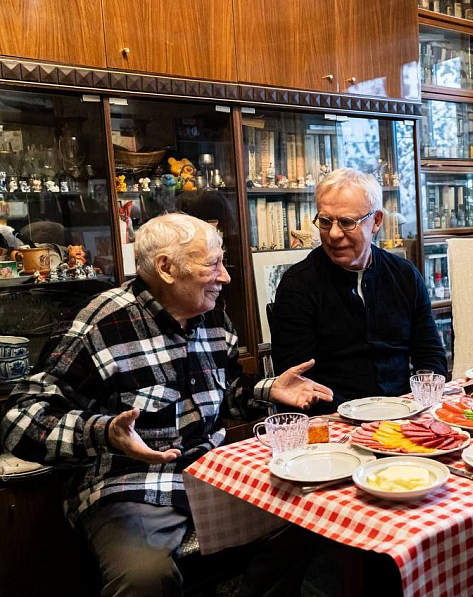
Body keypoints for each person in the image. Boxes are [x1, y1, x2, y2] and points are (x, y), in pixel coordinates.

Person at [1, 212, 333, 597]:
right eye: (212, 265)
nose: (225, 277)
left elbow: (223, 393)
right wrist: (105, 433)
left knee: (307, 517)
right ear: (166, 268)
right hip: (129, 484)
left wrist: (267, 390)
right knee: (144, 576)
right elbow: (19, 420)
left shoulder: (213, 316)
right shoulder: (100, 323)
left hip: (210, 473)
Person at [271, 167, 447, 414]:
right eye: (325, 221)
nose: (334, 234)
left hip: (405, 411)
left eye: (346, 222)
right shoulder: (297, 285)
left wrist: (421, 401)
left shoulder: (405, 275)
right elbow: (296, 381)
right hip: (334, 418)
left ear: (376, 221)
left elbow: (430, 354)